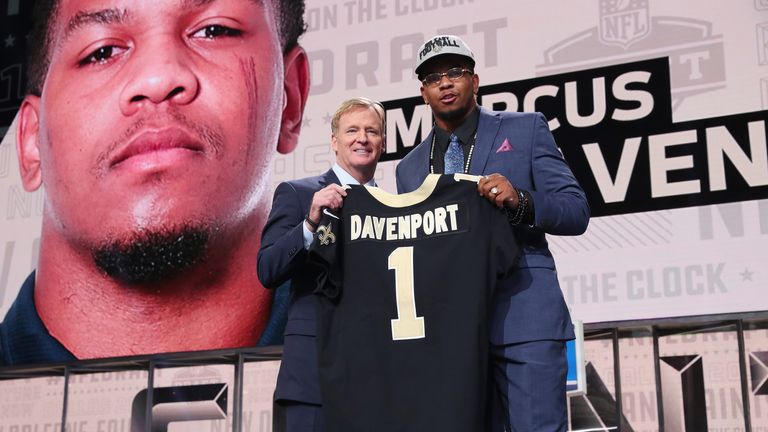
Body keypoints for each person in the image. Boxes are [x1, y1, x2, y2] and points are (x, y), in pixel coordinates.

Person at [0, 0, 310, 365]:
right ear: (31, 140)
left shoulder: (388, 387)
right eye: (102, 52)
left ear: (291, 97)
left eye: (214, 30)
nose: (158, 79)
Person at [395, 35, 590, 431]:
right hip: (451, 335)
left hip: (524, 319)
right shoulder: (409, 169)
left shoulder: (525, 129)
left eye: (455, 72)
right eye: (434, 78)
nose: (446, 83)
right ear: (423, 93)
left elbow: (576, 210)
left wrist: (520, 199)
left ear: (475, 80)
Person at [257, 97, 386, 432]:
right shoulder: (298, 194)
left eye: (372, 131)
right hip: (311, 379)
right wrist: (310, 223)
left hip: (376, 382)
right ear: (334, 141)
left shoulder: (394, 207)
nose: (362, 138)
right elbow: (267, 269)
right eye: (352, 130)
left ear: (383, 143)